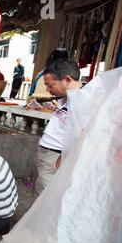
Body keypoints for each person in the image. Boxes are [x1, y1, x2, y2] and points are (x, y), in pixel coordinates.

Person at [34, 59, 83, 196]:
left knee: (44, 200)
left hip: (55, 157)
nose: (48, 91)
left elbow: (86, 134)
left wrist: (60, 161)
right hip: (49, 155)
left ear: (67, 79)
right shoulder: (69, 98)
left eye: (50, 85)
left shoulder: (83, 101)